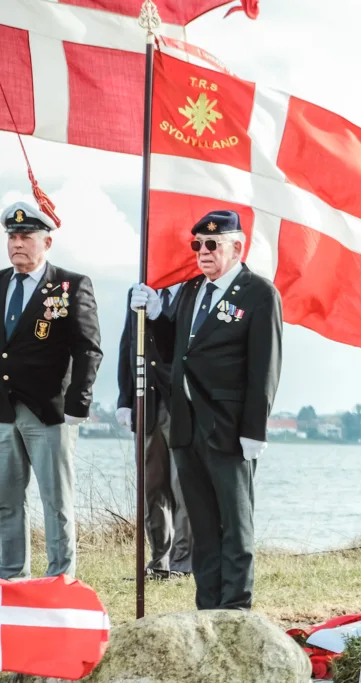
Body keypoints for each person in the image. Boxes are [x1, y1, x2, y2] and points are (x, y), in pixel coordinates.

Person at [130, 209, 281, 610]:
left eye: (212, 244)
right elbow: (176, 351)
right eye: (198, 244)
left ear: (237, 248)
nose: (203, 252)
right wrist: (156, 316)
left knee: (235, 523)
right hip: (186, 425)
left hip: (229, 427)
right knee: (202, 524)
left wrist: (255, 429)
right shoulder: (193, 289)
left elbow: (264, 366)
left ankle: (236, 608)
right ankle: (209, 606)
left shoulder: (258, 293)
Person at [0, 201, 102, 579]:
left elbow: (88, 348)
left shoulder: (71, 285)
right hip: (4, 410)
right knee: (7, 502)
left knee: (56, 502)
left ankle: (60, 578)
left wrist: (78, 404)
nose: (17, 243)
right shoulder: (0, 282)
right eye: (12, 236)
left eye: (26, 236)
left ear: (47, 241)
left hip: (48, 411)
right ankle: (11, 578)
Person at [116, 282, 193, 580]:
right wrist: (125, 399)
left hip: (182, 404)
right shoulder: (138, 289)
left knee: (182, 486)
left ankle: (184, 563)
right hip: (146, 402)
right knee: (151, 487)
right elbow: (128, 344)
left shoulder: (196, 290)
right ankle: (159, 562)